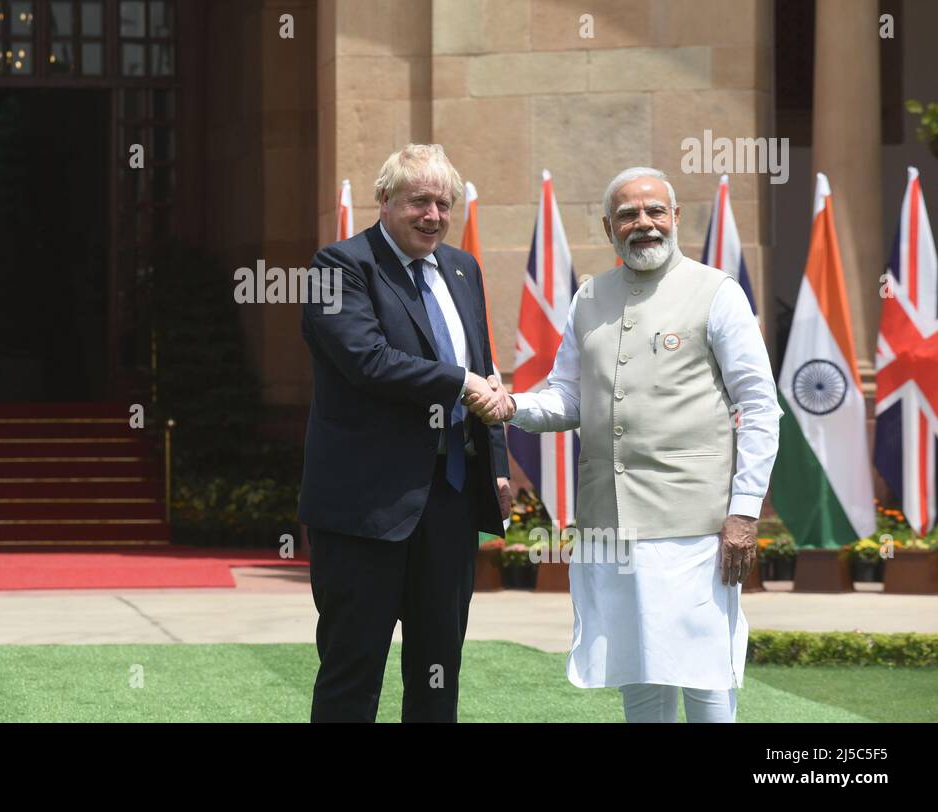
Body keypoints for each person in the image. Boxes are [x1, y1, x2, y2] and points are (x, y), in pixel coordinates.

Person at [496, 166, 780, 723]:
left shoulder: (717, 292)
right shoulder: (589, 297)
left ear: (675, 218)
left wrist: (744, 512)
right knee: (637, 672)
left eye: (654, 211)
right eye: (628, 214)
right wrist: (512, 405)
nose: (643, 223)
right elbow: (568, 398)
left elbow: (761, 407)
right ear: (609, 227)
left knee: (705, 675)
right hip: (610, 522)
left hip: (694, 525)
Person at [299, 144, 514, 723]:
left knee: (438, 670)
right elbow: (365, 360)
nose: (434, 216)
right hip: (364, 508)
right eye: (420, 201)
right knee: (352, 670)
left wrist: (494, 463)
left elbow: (484, 368)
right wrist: (461, 382)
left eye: (445, 204)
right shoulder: (338, 265)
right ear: (385, 199)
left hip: (448, 501)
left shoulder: (463, 270)